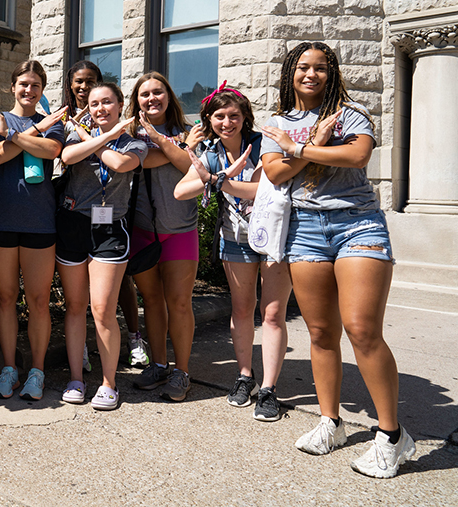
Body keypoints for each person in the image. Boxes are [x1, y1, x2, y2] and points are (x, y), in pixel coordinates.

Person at [260, 42, 413, 478]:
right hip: (306, 229)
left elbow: (357, 155)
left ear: (332, 73)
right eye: (303, 67)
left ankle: (391, 435)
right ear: (291, 72)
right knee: (321, 331)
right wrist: (304, 145)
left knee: (362, 329)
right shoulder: (276, 122)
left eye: (321, 68)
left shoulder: (349, 112)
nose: (312, 74)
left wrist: (299, 148)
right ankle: (331, 422)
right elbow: (273, 173)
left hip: (357, 225)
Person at [174, 82, 293, 422]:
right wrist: (220, 176)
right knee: (242, 310)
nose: (227, 123)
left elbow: (268, 185)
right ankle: (245, 376)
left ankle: (269, 389)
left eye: (234, 116)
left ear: (246, 118)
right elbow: (182, 191)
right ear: (209, 119)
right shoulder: (210, 153)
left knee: (272, 314)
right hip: (235, 239)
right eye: (220, 116)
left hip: (273, 238)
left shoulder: (263, 145)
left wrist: (220, 181)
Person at [57, 82, 146, 410]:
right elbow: (67, 156)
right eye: (94, 104)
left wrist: (94, 139)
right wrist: (97, 138)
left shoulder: (135, 142)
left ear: (120, 105)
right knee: (75, 306)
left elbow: (121, 164)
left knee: (103, 310)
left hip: (110, 228)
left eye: (107, 102)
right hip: (73, 224)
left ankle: (109, 383)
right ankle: (76, 379)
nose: (100, 109)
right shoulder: (74, 136)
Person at [0, 60, 67, 400]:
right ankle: (8, 369)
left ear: (42, 89)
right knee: (5, 298)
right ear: (12, 86)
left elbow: (53, 149)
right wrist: (31, 132)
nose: (28, 90)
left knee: (39, 301)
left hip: (39, 222)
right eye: (23, 84)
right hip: (1, 220)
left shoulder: (52, 123)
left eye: (35, 85)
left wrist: (15, 135)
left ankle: (37, 371)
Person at [126, 72, 204, 401]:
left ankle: (181, 372)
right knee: (152, 302)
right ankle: (158, 364)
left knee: (180, 303)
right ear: (136, 101)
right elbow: (145, 161)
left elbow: (188, 164)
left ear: (169, 97)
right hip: (143, 231)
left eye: (158, 92)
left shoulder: (187, 133)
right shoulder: (129, 134)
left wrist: (163, 140)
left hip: (180, 232)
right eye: (145, 94)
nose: (152, 99)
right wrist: (177, 148)